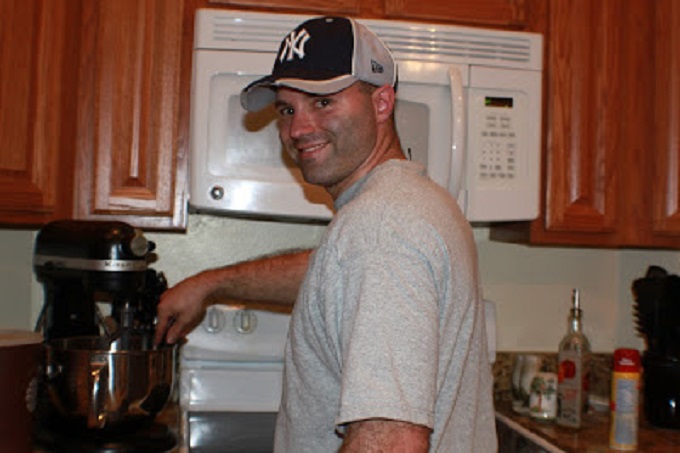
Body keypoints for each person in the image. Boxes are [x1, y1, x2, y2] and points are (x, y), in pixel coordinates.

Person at [155, 15, 497, 452]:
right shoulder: (414, 205)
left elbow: (391, 441)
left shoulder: (380, 228)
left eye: (322, 102)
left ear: (381, 103)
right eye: (287, 108)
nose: (297, 129)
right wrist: (211, 285)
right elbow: (334, 277)